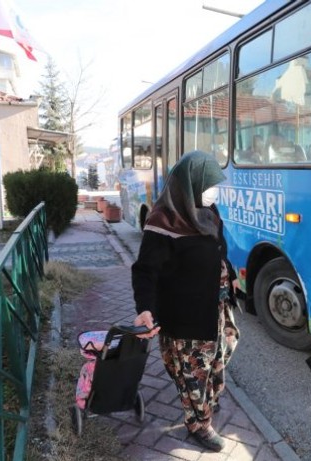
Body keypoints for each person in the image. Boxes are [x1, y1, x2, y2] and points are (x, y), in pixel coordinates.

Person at [131, 151, 240, 452]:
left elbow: (219, 247)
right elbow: (145, 271)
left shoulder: (207, 211)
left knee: (222, 353)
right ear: (188, 185)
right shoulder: (162, 221)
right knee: (194, 372)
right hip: (185, 315)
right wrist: (145, 308)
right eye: (207, 186)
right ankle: (199, 424)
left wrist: (228, 272)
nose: (213, 192)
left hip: (215, 307)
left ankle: (206, 401)